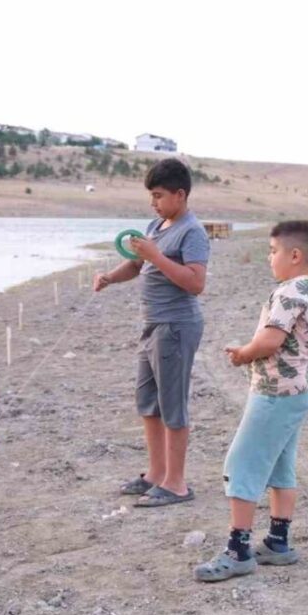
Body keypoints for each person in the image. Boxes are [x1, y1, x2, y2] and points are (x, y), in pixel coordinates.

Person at [195, 220, 308, 581]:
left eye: (273, 251)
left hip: (276, 393)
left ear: (295, 255)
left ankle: (238, 551)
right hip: (301, 388)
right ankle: (277, 543)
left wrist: (242, 354)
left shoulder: (289, 291)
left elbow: (270, 341)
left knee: (241, 464)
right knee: (281, 466)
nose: (269, 258)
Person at [94, 158, 210, 507]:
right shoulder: (156, 225)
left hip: (176, 325)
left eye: (159, 195)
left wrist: (156, 255)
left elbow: (196, 283)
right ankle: (156, 474)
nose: (153, 203)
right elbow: (136, 264)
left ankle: (177, 484)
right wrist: (110, 278)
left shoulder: (193, 232)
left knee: (172, 405)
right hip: (152, 326)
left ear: (180, 194)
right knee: (149, 403)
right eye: (151, 196)